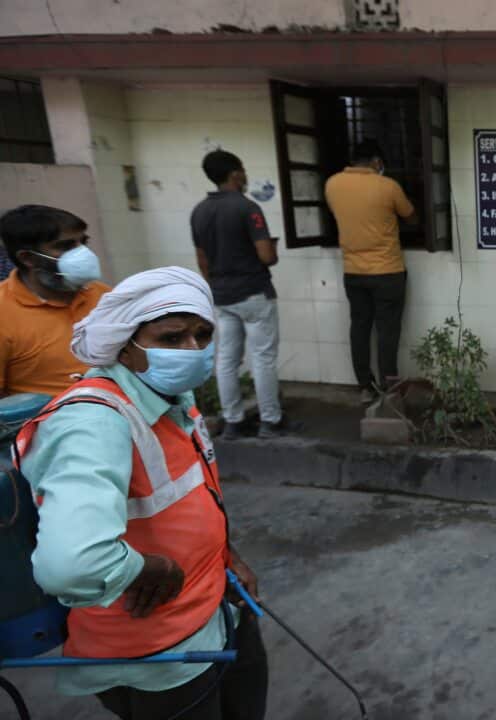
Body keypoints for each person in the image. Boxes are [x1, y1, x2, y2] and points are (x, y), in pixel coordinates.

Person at [12, 266, 268, 720]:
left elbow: (192, 497)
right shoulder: (93, 423)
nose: (192, 350)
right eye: (171, 338)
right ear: (126, 347)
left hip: (216, 610)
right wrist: (149, 566)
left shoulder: (172, 395)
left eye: (201, 335)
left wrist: (228, 556)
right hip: (159, 653)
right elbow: (72, 565)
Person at [191, 149, 288, 439]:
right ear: (235, 174)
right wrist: (272, 249)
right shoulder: (247, 207)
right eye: (243, 170)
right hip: (253, 293)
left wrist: (217, 287)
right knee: (263, 358)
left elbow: (202, 259)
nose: (245, 176)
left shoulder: (199, 211)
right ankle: (270, 420)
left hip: (222, 296)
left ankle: (232, 421)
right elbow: (266, 256)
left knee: (226, 360)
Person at [324, 139, 417, 403]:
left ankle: (365, 387)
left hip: (353, 272)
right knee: (388, 330)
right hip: (387, 270)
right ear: (377, 162)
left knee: (360, 328)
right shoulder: (387, 186)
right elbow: (410, 215)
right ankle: (389, 385)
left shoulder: (332, 184)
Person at [0, 204, 110, 398]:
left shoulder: (103, 295)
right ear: (28, 259)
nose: (82, 253)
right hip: (47, 423)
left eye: (83, 242)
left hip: (121, 410)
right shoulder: (4, 312)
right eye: (66, 246)